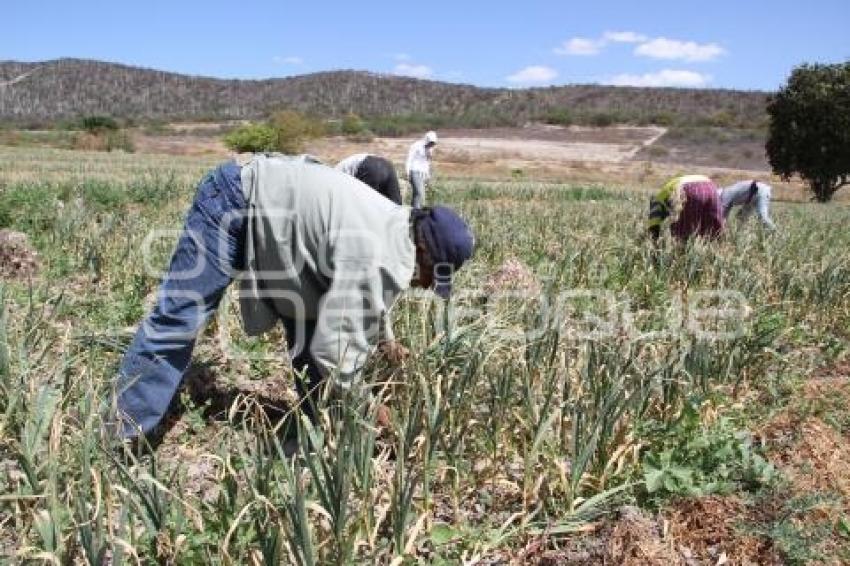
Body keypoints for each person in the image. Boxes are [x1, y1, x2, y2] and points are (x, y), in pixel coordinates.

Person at [114, 154, 474, 439]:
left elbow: (362, 300)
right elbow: (336, 354)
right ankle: (122, 434)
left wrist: (385, 340)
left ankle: (320, 431)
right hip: (234, 199)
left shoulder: (399, 223)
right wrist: (373, 412)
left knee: (312, 322)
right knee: (178, 320)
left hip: (276, 222)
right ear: (425, 253)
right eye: (434, 277)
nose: (427, 287)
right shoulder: (383, 257)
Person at [648, 174, 724, 241]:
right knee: (714, 231)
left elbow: (653, 225)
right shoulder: (666, 190)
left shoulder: (657, 200)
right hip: (711, 186)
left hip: (689, 189)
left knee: (683, 232)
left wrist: (654, 241)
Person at [335, 153, 403, 204]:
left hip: (369, 165)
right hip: (387, 164)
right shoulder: (338, 170)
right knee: (395, 203)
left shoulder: (335, 175)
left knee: (366, 204)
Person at [406, 131, 438, 209]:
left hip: (423, 173)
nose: (431, 145)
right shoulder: (416, 145)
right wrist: (407, 172)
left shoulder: (430, 149)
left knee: (416, 195)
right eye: (431, 142)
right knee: (420, 193)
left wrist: (427, 174)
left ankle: (413, 211)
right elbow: (409, 158)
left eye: (433, 143)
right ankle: (417, 211)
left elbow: (427, 162)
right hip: (414, 171)